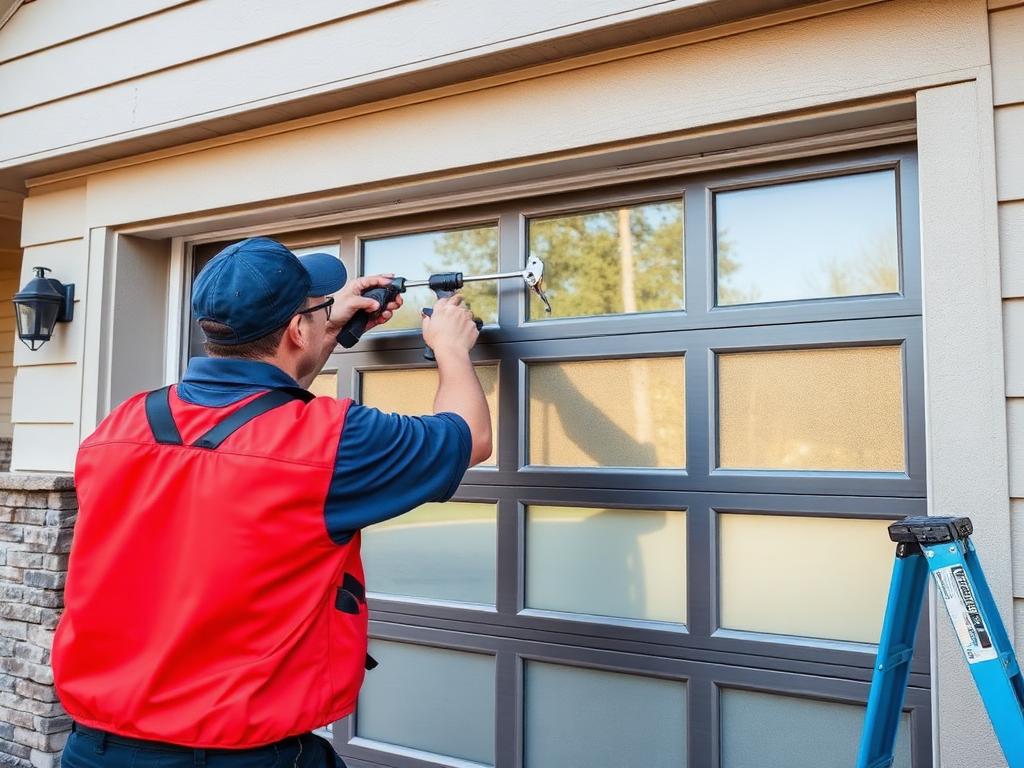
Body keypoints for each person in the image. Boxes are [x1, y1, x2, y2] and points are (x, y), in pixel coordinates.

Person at [52, 237, 492, 768]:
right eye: (315, 308)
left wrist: (322, 331)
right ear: (293, 329)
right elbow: (470, 436)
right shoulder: (331, 442)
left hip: (95, 751)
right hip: (242, 757)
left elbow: (250, 422)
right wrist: (449, 345)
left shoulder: (120, 426)